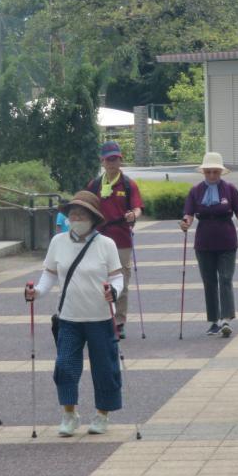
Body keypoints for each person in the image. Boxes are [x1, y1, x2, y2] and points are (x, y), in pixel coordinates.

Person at [25, 190, 124, 437]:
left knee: (105, 368)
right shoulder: (58, 242)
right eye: (72, 213)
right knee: (65, 366)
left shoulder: (106, 244)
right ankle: (69, 414)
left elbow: (118, 277)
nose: (76, 218)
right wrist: (36, 292)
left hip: (101, 318)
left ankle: (102, 415)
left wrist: (114, 291)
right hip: (68, 318)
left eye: (81, 214)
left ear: (92, 217)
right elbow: (49, 274)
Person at [180, 151, 238, 337]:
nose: (212, 175)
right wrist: (185, 223)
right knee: (209, 281)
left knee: (226, 279)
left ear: (221, 172)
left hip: (227, 241)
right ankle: (214, 321)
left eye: (215, 172)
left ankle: (226, 319)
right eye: (208, 172)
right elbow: (188, 214)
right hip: (203, 242)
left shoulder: (230, 189)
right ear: (203, 172)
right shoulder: (195, 191)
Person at [86, 141, 143, 339]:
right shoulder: (94, 185)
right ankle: (101, 319)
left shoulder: (128, 184)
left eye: (115, 159)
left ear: (121, 160)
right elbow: (86, 208)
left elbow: (138, 207)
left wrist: (133, 215)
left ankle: (119, 322)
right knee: (98, 279)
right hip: (98, 239)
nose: (112, 162)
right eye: (108, 159)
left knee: (122, 282)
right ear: (102, 161)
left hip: (121, 238)